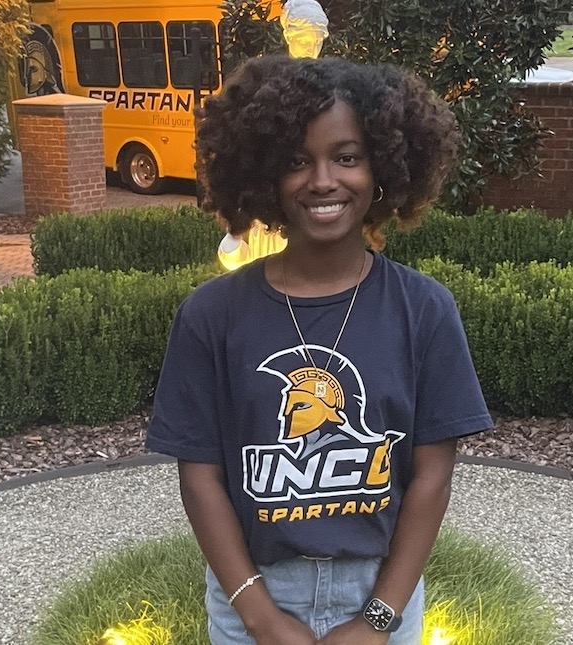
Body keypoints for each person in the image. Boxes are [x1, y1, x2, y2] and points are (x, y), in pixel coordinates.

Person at [146, 54, 492, 644]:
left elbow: (432, 477)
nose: (323, 180)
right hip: (252, 593)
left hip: (380, 590)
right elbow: (200, 478)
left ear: (383, 166)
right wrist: (259, 616)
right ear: (262, 175)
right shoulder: (211, 316)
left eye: (347, 157)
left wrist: (378, 620)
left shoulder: (423, 310)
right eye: (296, 161)